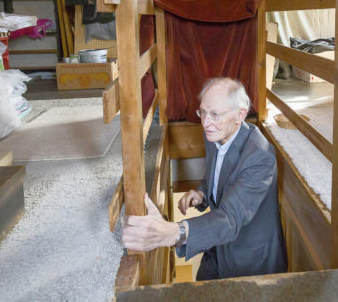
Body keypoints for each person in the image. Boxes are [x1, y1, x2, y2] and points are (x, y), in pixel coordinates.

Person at [121, 77, 287, 280]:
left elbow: (229, 218)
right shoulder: (217, 133)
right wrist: (201, 193)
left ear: (240, 115)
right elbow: (216, 176)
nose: (206, 122)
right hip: (216, 245)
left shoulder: (260, 157)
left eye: (215, 114)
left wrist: (174, 233)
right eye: (203, 112)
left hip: (248, 260)